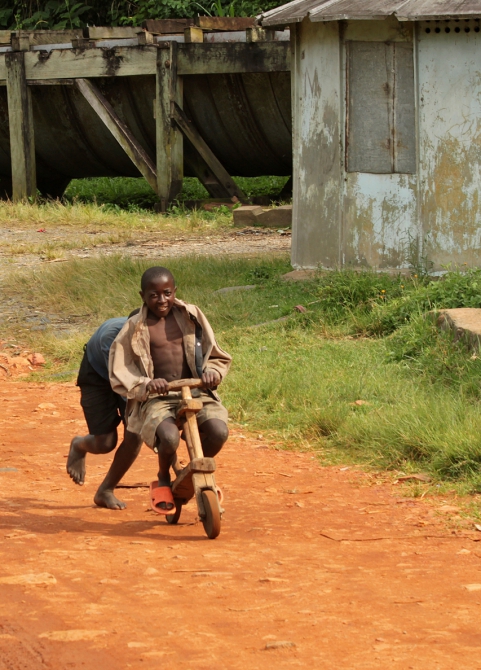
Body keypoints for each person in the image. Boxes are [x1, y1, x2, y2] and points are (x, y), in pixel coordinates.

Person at [108, 266, 231, 513]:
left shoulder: (191, 315)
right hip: (158, 398)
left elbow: (213, 352)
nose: (161, 300)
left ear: (175, 291)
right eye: (153, 295)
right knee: (169, 438)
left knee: (219, 432)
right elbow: (120, 367)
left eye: (167, 293)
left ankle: (193, 471)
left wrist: (212, 373)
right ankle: (163, 477)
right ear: (142, 295)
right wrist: (145, 384)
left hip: (196, 390)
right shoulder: (135, 326)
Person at [67, 312, 143, 510]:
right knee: (105, 442)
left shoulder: (157, 335)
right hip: (98, 374)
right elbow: (123, 383)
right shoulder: (112, 339)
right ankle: (79, 445)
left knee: (134, 435)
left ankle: (105, 490)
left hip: (133, 379)